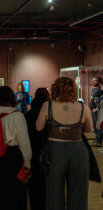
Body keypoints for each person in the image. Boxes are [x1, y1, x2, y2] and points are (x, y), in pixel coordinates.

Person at [36, 77, 92, 210]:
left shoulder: (48, 105)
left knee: (54, 192)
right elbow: (88, 129)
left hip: (55, 150)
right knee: (79, 193)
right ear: (74, 90)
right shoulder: (83, 107)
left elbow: (38, 127)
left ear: (55, 89)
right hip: (78, 150)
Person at [0, 86, 32, 210]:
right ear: (12, 98)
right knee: (13, 193)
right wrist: (27, 162)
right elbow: (24, 142)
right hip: (10, 157)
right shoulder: (16, 116)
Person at [25, 88, 50, 210]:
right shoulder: (50, 114)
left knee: (33, 183)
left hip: (32, 152)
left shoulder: (28, 115)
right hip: (47, 153)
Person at [89, 76, 102, 147]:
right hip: (92, 110)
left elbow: (100, 101)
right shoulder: (93, 90)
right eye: (93, 80)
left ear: (99, 82)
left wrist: (97, 108)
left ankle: (98, 141)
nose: (94, 82)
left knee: (98, 125)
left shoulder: (100, 90)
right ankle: (96, 139)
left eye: (95, 80)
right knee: (94, 125)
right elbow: (93, 100)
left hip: (97, 111)